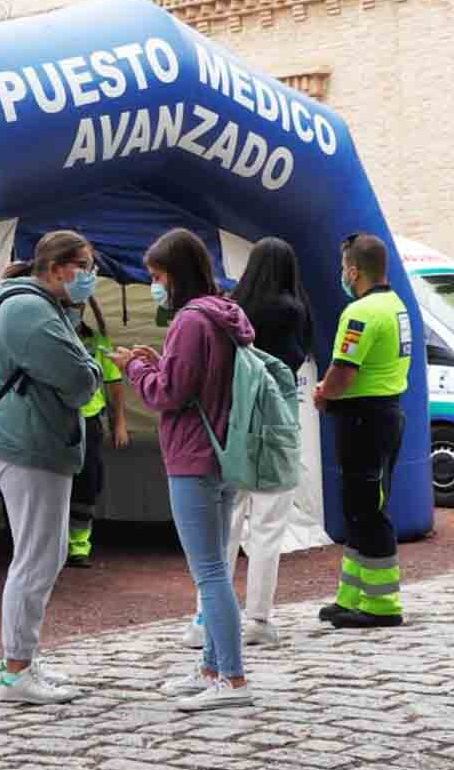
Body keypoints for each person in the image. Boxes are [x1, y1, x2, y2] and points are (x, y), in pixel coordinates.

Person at [113, 228, 256, 712]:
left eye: (157, 277)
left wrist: (134, 369)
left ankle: (232, 679)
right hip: (224, 453)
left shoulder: (189, 322)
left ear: (175, 275)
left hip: (193, 456)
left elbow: (167, 394)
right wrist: (160, 363)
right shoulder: (224, 315)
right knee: (216, 567)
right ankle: (212, 668)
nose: (155, 286)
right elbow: (190, 378)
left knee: (209, 573)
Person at [0, 231, 103, 704]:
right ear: (55, 269)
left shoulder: (38, 307)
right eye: (85, 266)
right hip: (29, 442)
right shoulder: (29, 311)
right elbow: (78, 380)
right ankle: (16, 670)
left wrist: (85, 367)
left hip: (36, 440)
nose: (90, 277)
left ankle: (23, 658)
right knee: (36, 557)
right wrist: (90, 369)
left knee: (43, 555)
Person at [180, 236, 311, 648]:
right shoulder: (297, 311)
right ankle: (259, 617)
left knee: (223, 527)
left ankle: (208, 616)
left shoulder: (234, 311)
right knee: (268, 529)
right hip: (278, 428)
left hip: (234, 427)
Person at [314, 232, 411, 629]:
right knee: (359, 507)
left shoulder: (361, 313)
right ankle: (351, 595)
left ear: (354, 270)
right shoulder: (396, 305)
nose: (342, 274)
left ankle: (382, 605)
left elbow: (344, 371)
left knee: (367, 509)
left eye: (343, 267)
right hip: (384, 414)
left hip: (362, 418)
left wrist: (322, 392)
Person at [66, 294, 130, 567]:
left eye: (77, 306)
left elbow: (114, 385)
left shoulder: (97, 341)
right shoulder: (46, 335)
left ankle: (79, 546)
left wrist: (120, 423)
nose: (74, 310)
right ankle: (53, 544)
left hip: (89, 420)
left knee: (88, 483)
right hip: (54, 418)